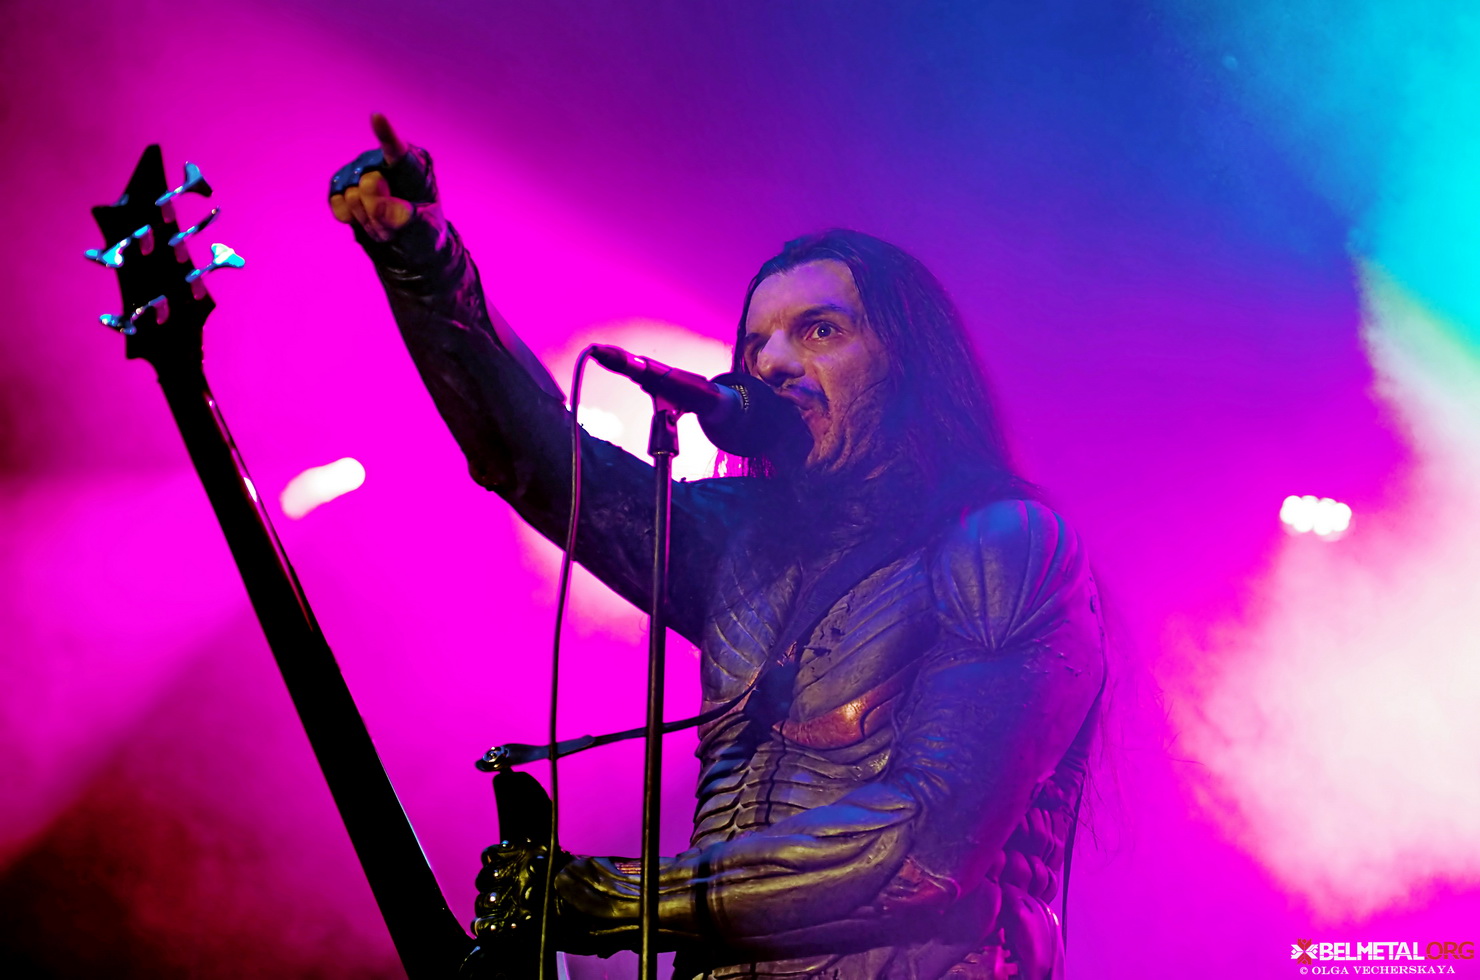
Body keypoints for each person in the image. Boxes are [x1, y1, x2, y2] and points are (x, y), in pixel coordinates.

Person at [330, 114, 1105, 980]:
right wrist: (426, 267)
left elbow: (922, 851)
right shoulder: (744, 547)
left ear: (910, 366)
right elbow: (537, 463)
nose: (771, 363)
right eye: (755, 341)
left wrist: (610, 899)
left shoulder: (1006, 546)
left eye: (819, 330)